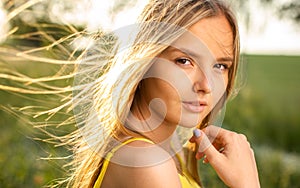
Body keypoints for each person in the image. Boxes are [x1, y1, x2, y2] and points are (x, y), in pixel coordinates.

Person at [48, 0, 260, 187]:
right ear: (145, 62)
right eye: (184, 61)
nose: (207, 85)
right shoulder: (147, 161)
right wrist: (248, 184)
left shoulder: (169, 154)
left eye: (220, 66)